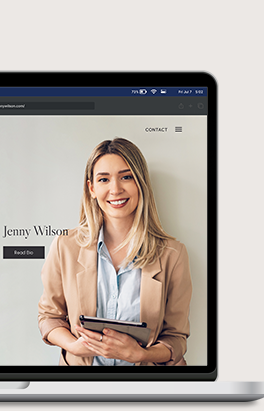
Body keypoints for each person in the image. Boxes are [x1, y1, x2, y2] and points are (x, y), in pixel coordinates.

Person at [38, 137, 191, 367]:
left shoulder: (173, 255)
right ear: (92, 188)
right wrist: (74, 346)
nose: (115, 189)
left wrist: (141, 355)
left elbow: (176, 337)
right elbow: (49, 317)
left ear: (140, 183)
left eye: (126, 177)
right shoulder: (65, 246)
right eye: (103, 179)